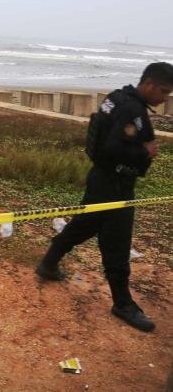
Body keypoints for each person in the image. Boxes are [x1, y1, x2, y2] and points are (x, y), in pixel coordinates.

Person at [36, 62, 173, 332]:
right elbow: (113, 147)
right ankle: (123, 303)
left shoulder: (116, 97)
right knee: (117, 244)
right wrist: (145, 153)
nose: (165, 98)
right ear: (148, 84)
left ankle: (49, 263)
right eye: (164, 91)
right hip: (115, 184)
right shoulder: (133, 109)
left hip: (101, 178)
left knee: (84, 224)